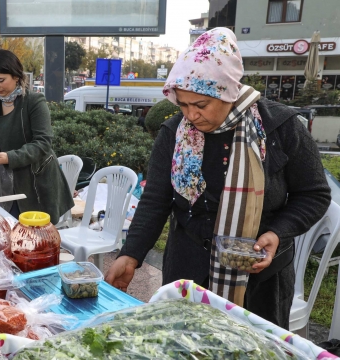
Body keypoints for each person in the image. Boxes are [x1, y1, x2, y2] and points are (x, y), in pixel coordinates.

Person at [104, 28, 331, 329]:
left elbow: (314, 194)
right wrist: (131, 255)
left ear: (227, 90)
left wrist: (278, 231)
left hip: (259, 281)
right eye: (183, 104)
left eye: (200, 105)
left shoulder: (280, 128)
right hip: (189, 271)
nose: (191, 116)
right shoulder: (175, 133)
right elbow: (156, 199)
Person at [0, 49, 73, 224]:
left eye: (1, 80)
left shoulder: (34, 102)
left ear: (16, 76)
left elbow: (43, 143)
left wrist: (10, 157)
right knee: (6, 231)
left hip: (36, 182)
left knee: (33, 238)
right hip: (3, 183)